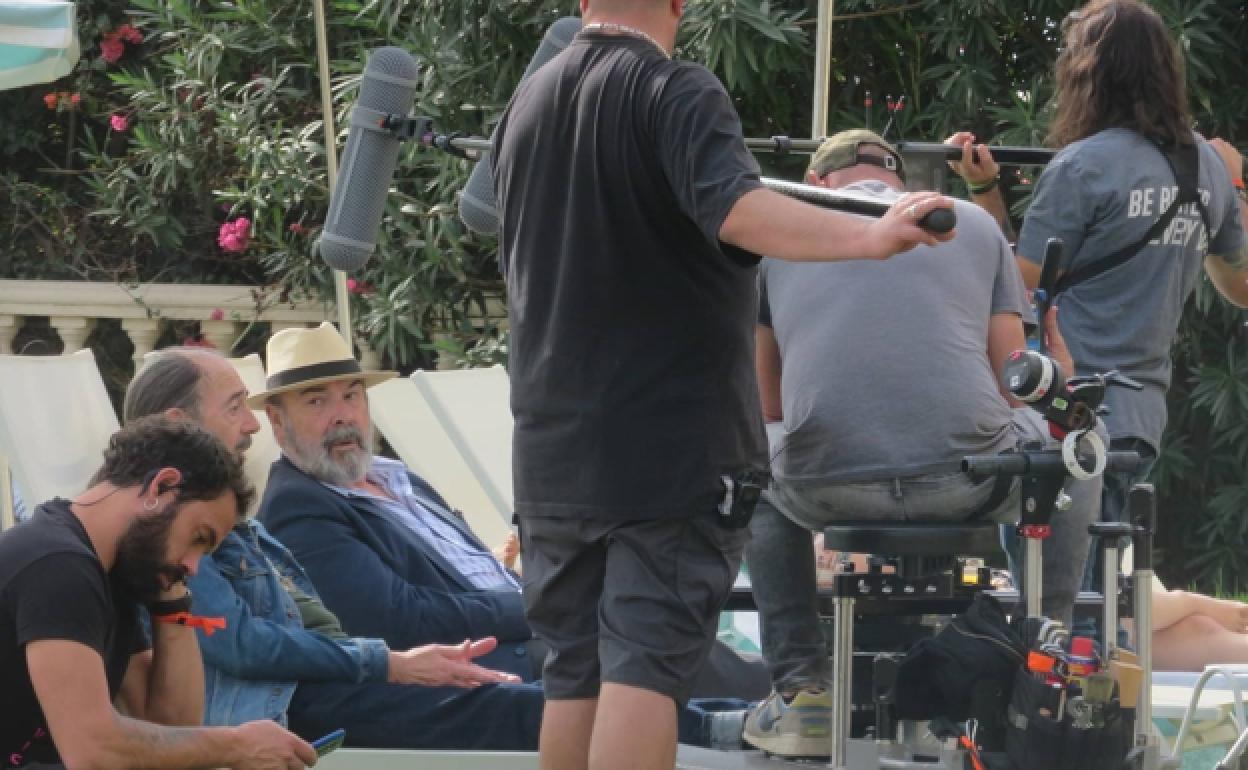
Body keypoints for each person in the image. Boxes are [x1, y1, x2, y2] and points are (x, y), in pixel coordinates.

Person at [490, 1, 957, 766]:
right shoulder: (675, 89)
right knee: (643, 667)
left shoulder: (528, 103)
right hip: (666, 453)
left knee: (572, 673)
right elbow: (738, 210)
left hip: (551, 449)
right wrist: (869, 235)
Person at [739, 130, 1102, 757]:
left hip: (826, 486)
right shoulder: (972, 226)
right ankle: (1044, 653)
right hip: (968, 478)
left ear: (817, 184)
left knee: (748, 455)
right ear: (897, 181)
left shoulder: (779, 237)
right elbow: (1011, 383)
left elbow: (767, 406)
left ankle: (802, 691)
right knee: (1080, 444)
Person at [251, 326, 770, 720]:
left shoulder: (395, 478)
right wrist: (547, 603)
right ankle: (773, 707)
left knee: (653, 618)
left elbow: (471, 567)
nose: (342, 415)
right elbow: (400, 620)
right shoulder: (301, 508)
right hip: (497, 654)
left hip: (539, 623)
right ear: (277, 421)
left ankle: (776, 700)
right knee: (638, 640)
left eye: (351, 394)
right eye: (316, 401)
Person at [949, 0, 1248, 598]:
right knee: (1105, 602)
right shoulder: (1208, 169)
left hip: (1064, 415)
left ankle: (1057, 694)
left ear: (1088, 72)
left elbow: (1018, 288)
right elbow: (1240, 287)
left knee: (1051, 602)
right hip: (1141, 418)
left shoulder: (1084, 165)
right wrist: (1234, 185)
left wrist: (983, 190)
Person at [124, 346, 545, 750]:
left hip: (336, 682)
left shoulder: (224, 518)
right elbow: (240, 643)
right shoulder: (172, 524)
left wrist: (392, 664)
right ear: (179, 422)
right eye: (236, 408)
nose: (250, 426)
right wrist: (389, 663)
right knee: (548, 705)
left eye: (352, 395)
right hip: (292, 709)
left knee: (568, 691)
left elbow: (309, 627)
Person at [0, 416, 316, 769]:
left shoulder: (110, 574)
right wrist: (235, 745)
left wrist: (173, 603)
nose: (194, 567)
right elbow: (92, 750)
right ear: (161, 487)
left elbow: (165, 732)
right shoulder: (57, 564)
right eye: (199, 537)